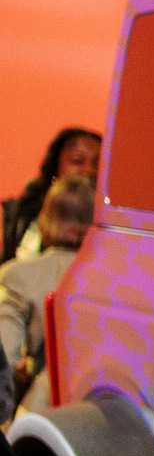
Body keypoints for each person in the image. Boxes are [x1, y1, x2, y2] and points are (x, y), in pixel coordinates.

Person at [0, 171, 90, 405]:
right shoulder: (118, 277)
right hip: (105, 411)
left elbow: (5, 356)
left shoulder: (18, 276)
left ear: (46, 216)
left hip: (42, 407)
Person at [3, 128, 97, 257]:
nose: (88, 170)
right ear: (54, 169)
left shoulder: (112, 223)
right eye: (77, 161)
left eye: (97, 163)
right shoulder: (17, 215)